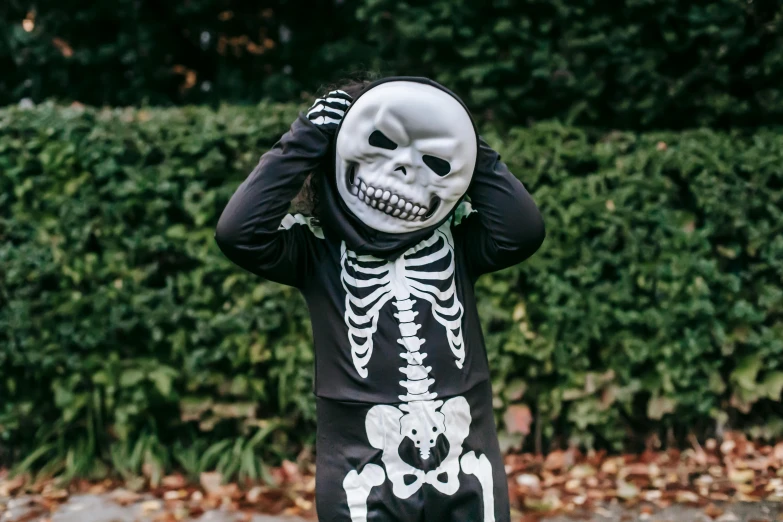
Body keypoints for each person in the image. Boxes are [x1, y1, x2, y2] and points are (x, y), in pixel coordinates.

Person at [215, 76, 545, 522]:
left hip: (468, 460)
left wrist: (466, 146)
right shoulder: (315, 250)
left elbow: (522, 232)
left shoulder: (460, 241)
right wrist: (306, 136)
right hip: (362, 468)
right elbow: (239, 234)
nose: (403, 170)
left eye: (431, 161)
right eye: (381, 144)